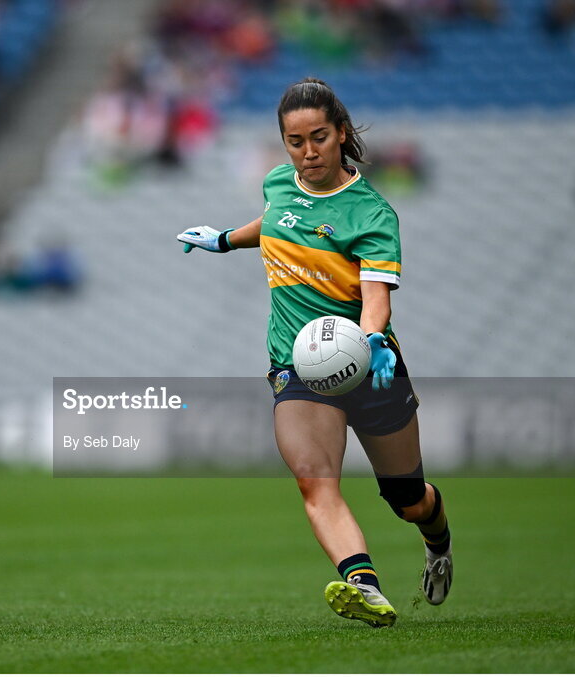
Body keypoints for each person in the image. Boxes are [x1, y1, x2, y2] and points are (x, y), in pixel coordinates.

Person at [176, 77, 452, 628]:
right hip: (298, 365)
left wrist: (372, 341)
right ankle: (365, 585)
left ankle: (437, 539)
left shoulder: (372, 214)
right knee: (313, 478)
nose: (307, 152)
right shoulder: (280, 183)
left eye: (319, 138)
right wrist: (226, 238)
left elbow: (376, 299)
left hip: (367, 366)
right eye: (295, 141)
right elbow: (278, 222)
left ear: (341, 133)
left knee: (405, 498)